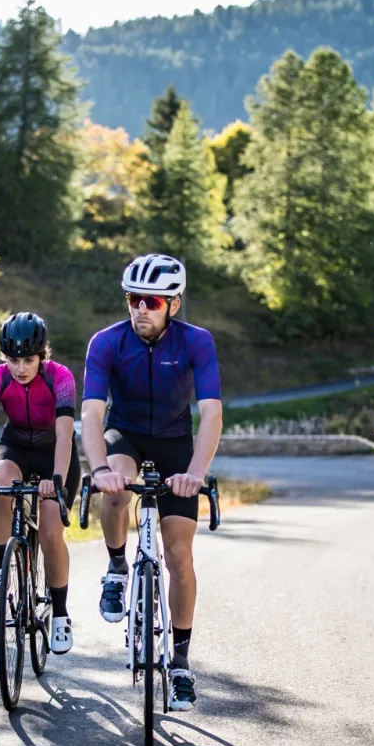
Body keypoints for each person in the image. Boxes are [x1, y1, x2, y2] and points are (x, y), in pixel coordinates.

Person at [81, 254, 223, 710]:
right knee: (117, 483)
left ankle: (179, 661)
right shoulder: (106, 342)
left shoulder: (196, 343)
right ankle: (118, 566)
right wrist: (99, 469)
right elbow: (91, 413)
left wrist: (195, 474)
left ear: (173, 305)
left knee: (179, 554)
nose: (141, 308)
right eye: (133, 299)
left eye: (152, 301)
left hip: (174, 441)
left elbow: (212, 413)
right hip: (125, 434)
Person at [0, 312, 80, 655]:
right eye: (14, 360)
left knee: (50, 531)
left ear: (42, 355)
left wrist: (57, 479)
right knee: (0, 482)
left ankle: (60, 612)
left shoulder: (60, 378)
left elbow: (65, 435)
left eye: (29, 360)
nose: (21, 368)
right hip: (16, 445)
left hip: (54, 452)